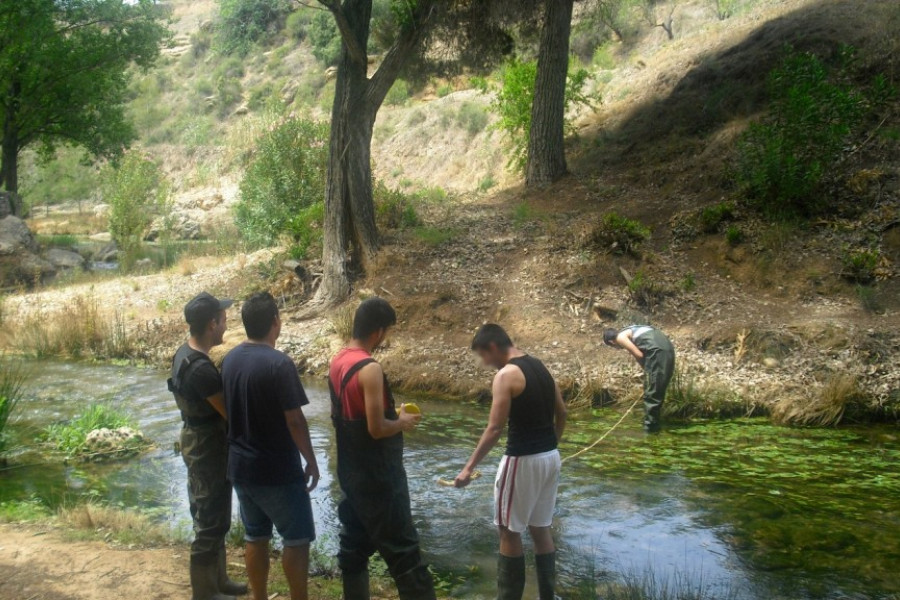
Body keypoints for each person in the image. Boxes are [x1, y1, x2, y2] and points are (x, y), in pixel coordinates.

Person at [328, 297, 437, 600]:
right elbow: (376, 429)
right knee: (404, 552)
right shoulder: (369, 368)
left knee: (354, 544)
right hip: (380, 479)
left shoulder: (337, 360)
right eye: (387, 331)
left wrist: (391, 414)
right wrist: (401, 421)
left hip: (351, 473)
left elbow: (353, 413)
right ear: (377, 331)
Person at [454, 324, 568, 600]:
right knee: (540, 528)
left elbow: (494, 429)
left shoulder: (506, 375)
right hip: (551, 457)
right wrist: (550, 444)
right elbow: (562, 413)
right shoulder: (540, 366)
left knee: (507, 530)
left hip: (522, 460)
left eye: (484, 356)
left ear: (493, 347)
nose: (485, 363)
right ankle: (547, 597)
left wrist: (468, 468)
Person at [221, 292, 320, 600]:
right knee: (296, 539)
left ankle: (259, 597)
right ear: (276, 323)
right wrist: (312, 461)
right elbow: (295, 421)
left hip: (241, 467)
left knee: (255, 536)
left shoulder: (229, 359)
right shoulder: (280, 364)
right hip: (277, 469)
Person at [168, 292, 248, 600]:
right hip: (206, 447)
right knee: (209, 520)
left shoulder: (185, 354)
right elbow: (229, 412)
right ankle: (205, 592)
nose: (227, 323)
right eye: (224, 319)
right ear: (212, 323)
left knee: (215, 515)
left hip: (203, 442)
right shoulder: (199, 369)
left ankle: (220, 581)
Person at [603, 325, 675, 433]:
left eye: (613, 347)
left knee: (652, 392)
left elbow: (639, 355)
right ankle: (657, 422)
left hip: (657, 351)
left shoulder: (620, 337)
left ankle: (650, 429)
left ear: (612, 342)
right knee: (659, 387)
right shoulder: (631, 329)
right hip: (668, 348)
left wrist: (647, 371)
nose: (617, 348)